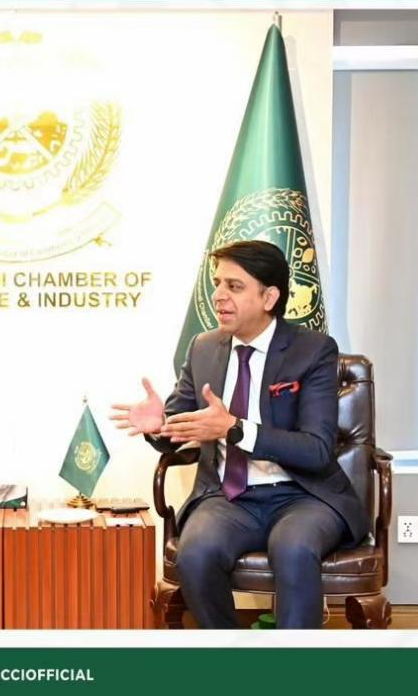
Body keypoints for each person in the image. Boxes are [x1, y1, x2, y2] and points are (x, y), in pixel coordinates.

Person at [111, 240, 367, 628]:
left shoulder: (312, 351)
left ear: (269, 297)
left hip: (303, 495)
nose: (219, 296)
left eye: (234, 286)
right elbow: (179, 423)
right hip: (229, 498)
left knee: (294, 549)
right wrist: (159, 426)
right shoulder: (203, 348)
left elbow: (316, 449)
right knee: (195, 553)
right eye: (217, 284)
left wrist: (235, 429)